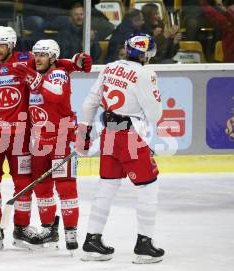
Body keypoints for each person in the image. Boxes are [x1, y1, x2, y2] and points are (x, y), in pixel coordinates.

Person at [0, 26, 92, 251]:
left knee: (24, 184)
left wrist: (73, 63)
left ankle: (21, 228)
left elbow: (51, 63)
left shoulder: (26, 60)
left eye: (1, 45)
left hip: (20, 136)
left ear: (12, 45)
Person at [79, 34, 164, 264]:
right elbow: (155, 115)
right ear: (146, 54)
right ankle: (144, 246)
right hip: (131, 137)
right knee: (148, 187)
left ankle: (92, 242)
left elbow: (90, 102)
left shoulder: (110, 67)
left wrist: (84, 134)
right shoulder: (146, 73)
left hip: (109, 134)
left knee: (106, 186)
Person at [13, 39, 79, 252]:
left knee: (66, 188)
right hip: (39, 142)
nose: (38, 58)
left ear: (53, 58)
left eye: (43, 54)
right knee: (42, 188)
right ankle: (48, 229)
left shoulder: (57, 73)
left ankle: (71, 232)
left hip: (60, 141)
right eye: (36, 54)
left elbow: (55, 95)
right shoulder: (36, 76)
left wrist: (34, 78)